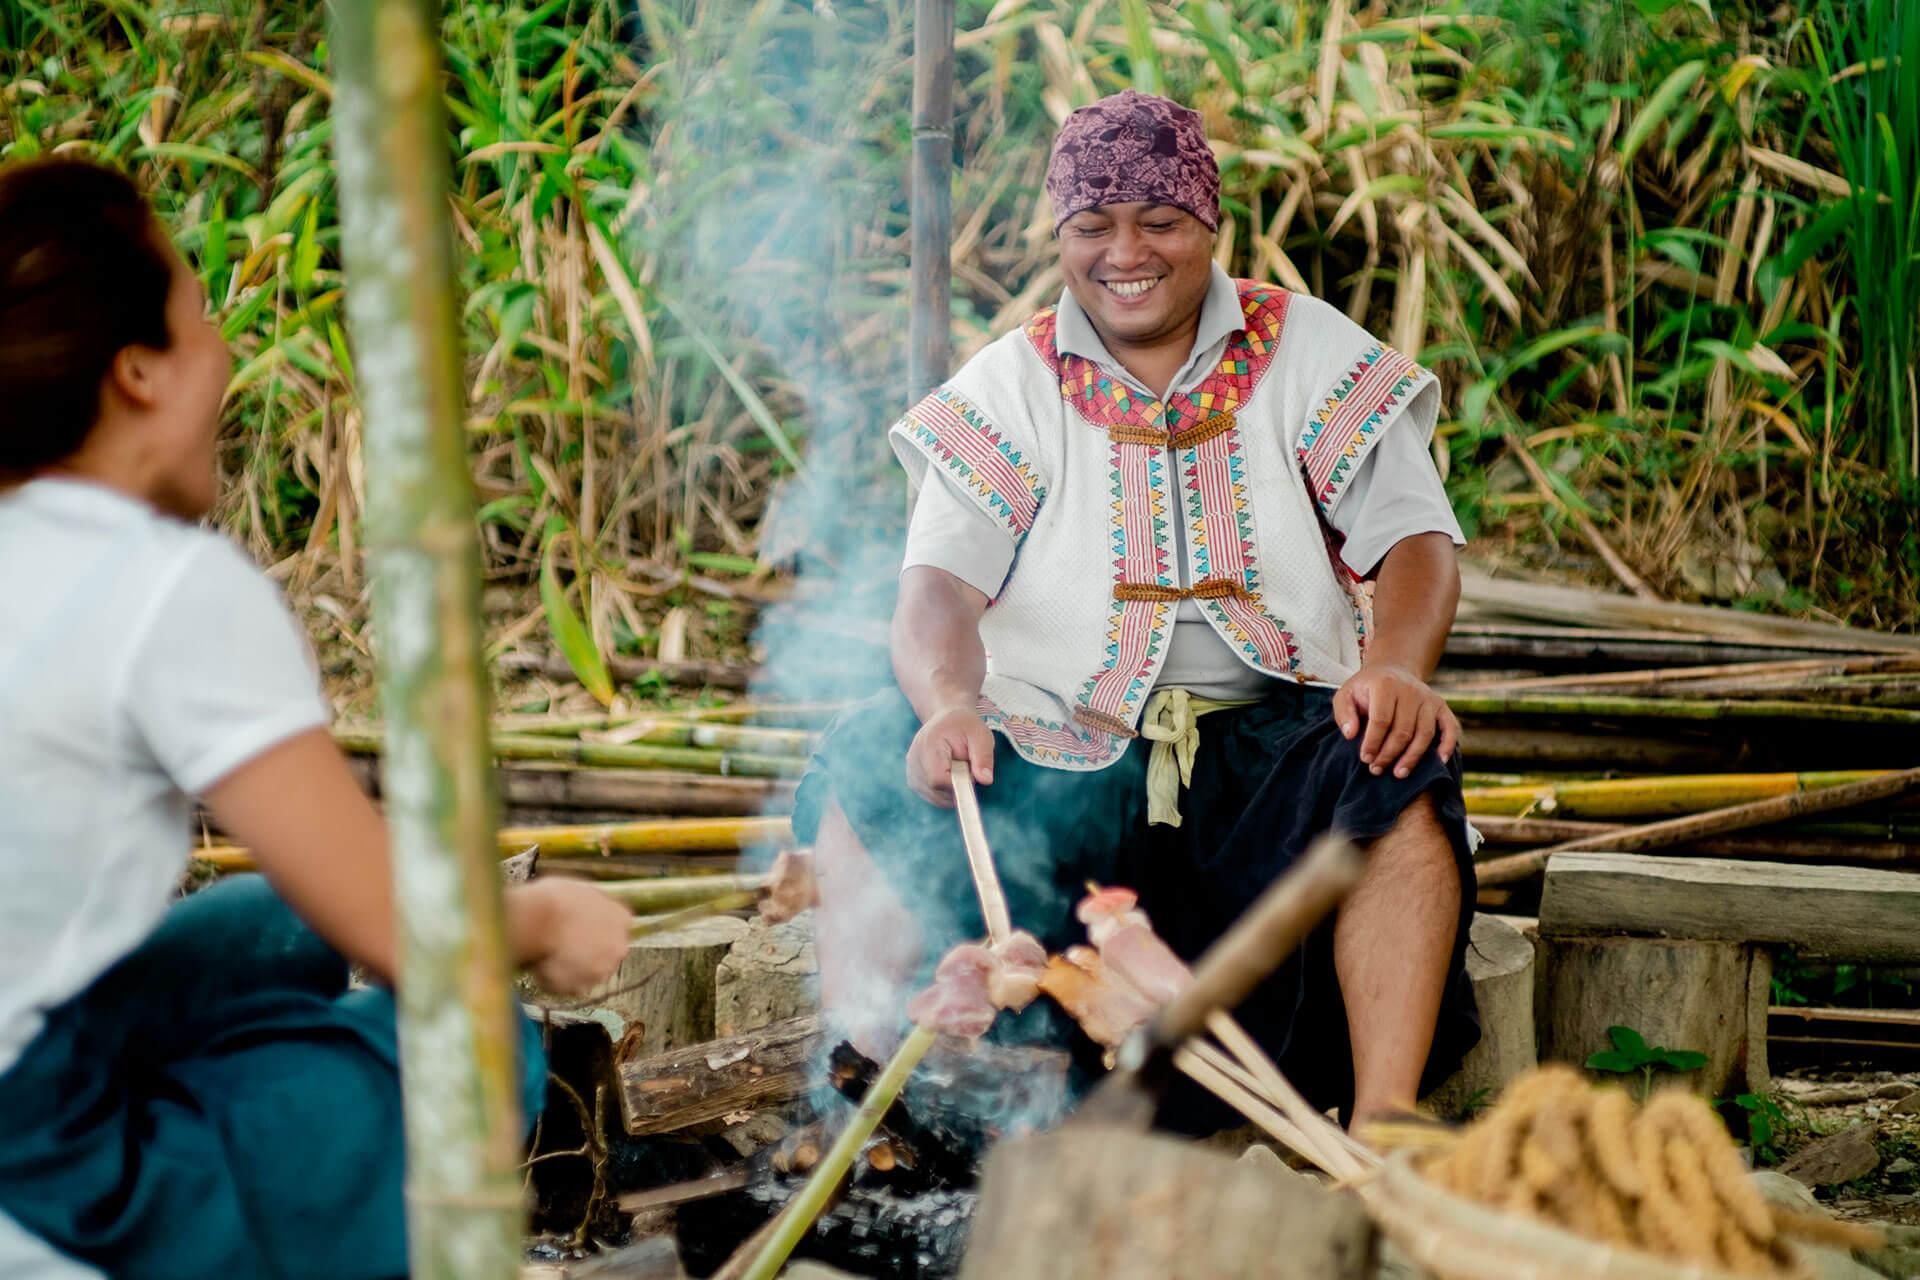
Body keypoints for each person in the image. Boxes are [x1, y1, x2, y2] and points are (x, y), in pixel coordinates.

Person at [796, 90, 1480, 1131]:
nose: (1127, 251)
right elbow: (935, 587)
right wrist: (946, 700)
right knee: (866, 753)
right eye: (1092, 226)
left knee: (1397, 765)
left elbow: (1414, 539)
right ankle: (874, 1086)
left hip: (1273, 753)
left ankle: (1384, 1127)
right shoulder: (1010, 385)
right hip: (1069, 760)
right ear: (1061, 237)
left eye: (1159, 220)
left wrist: (1393, 665)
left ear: (1209, 224)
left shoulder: (1307, 349)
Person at [0, 157, 634, 1279]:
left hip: (36, 1052)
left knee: (268, 919)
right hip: (39, 1175)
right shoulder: (161, 582)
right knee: (470, 1034)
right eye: (205, 323)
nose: (229, 357)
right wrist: (538, 924)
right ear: (139, 371)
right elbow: (412, 939)